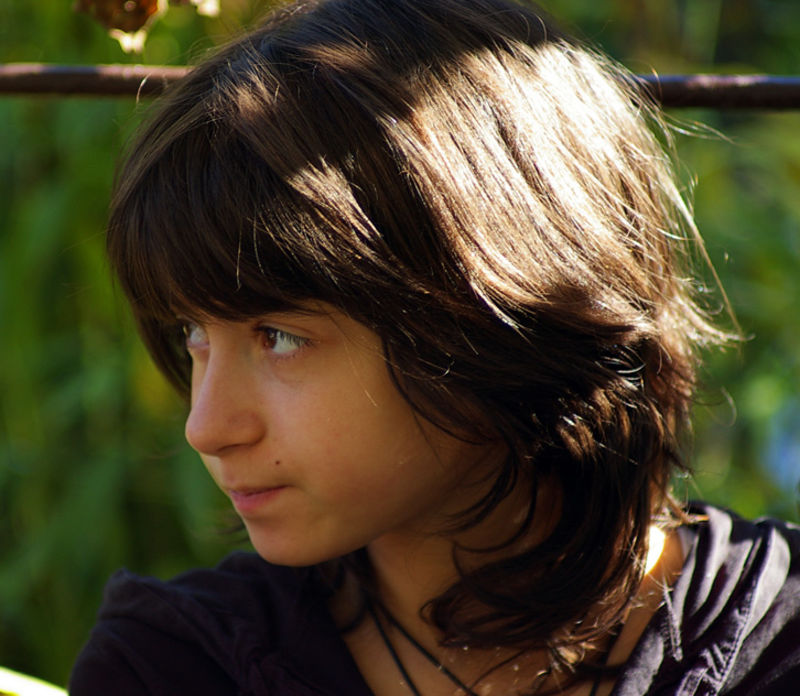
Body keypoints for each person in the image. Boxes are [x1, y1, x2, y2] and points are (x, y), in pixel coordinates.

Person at [69, 0, 800, 694]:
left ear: (494, 314)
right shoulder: (174, 670)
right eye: (192, 333)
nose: (206, 427)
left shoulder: (780, 645)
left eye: (280, 337)